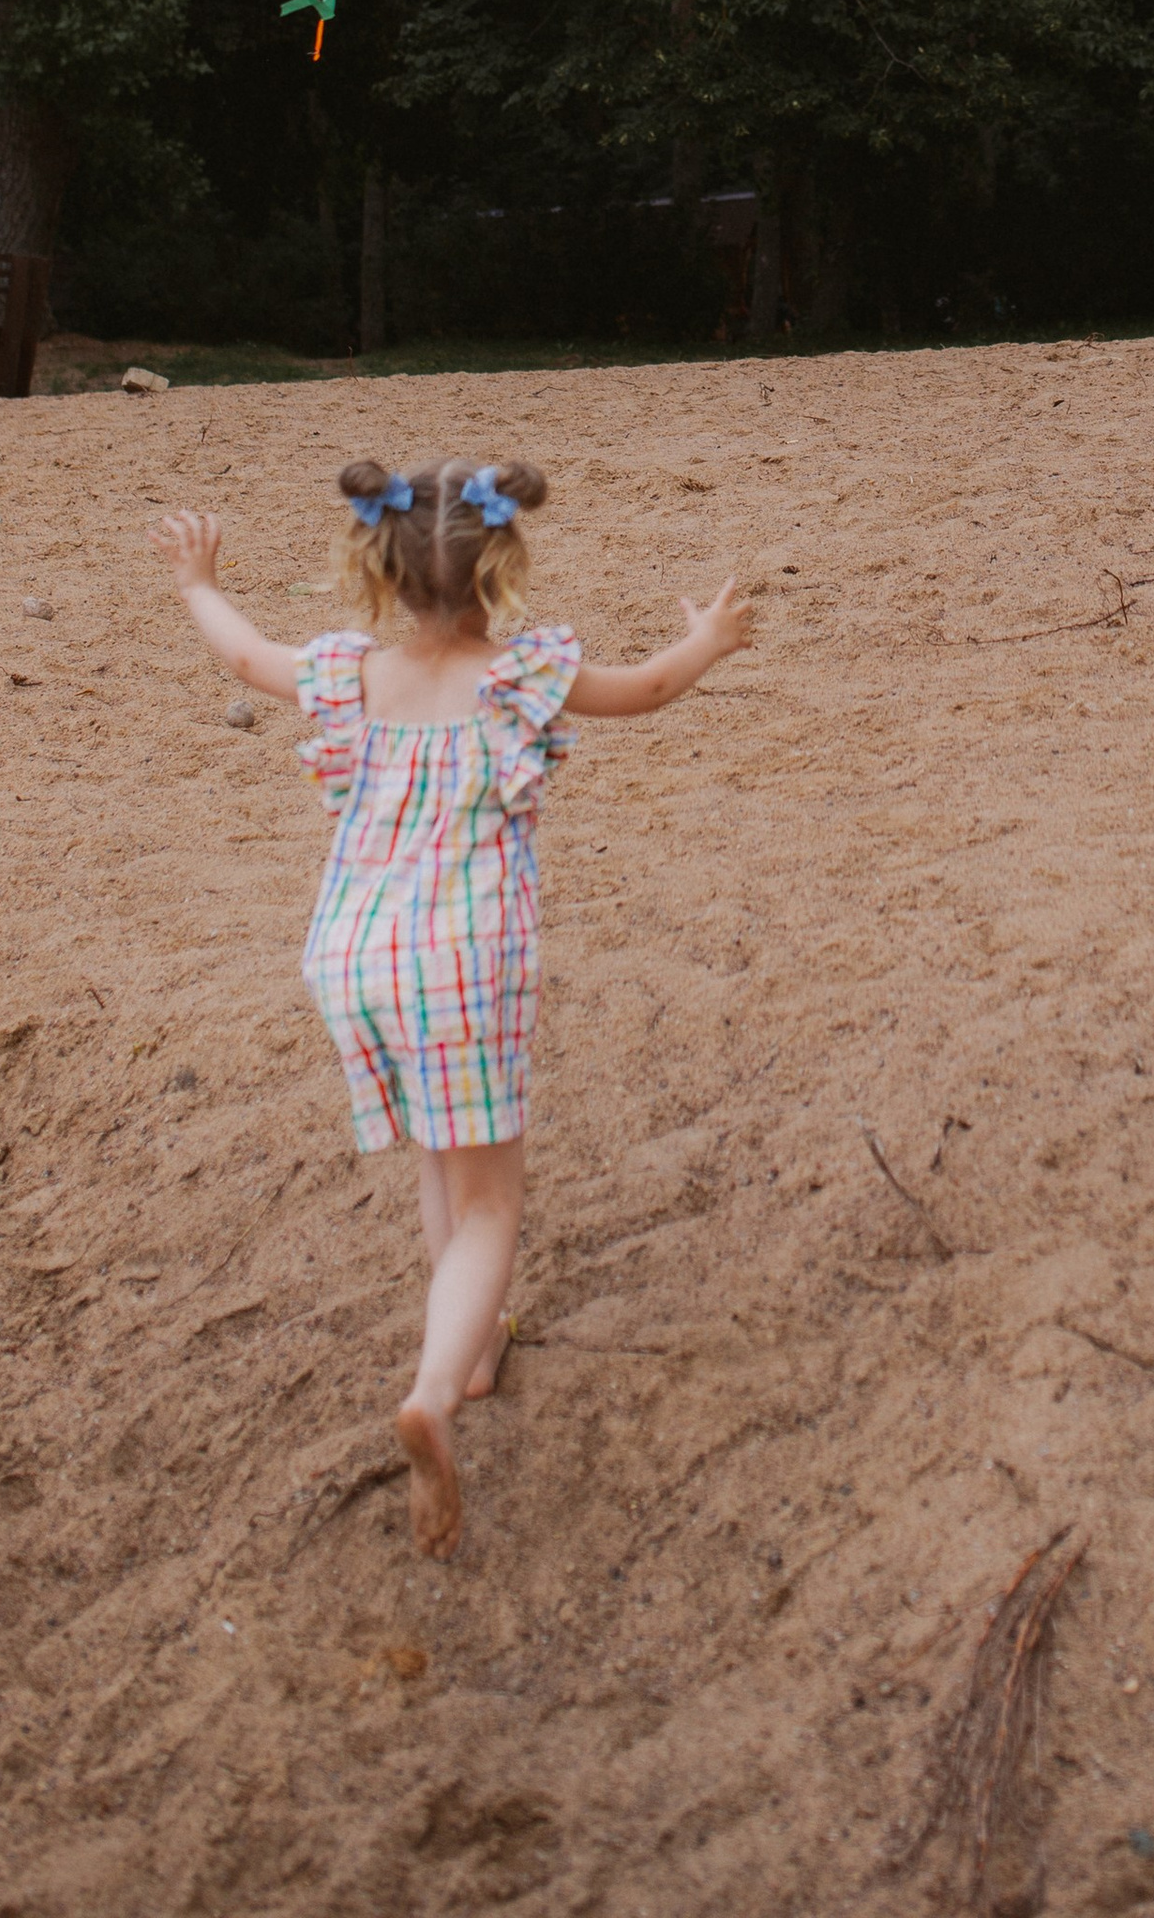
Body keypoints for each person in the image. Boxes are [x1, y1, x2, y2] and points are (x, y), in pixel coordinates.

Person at [151, 457, 753, 1558]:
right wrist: (706, 639)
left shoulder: (343, 673)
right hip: (464, 961)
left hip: (353, 957)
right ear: (499, 570)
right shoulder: (523, 676)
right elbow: (649, 689)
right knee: (488, 1203)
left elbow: (242, 654)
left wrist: (197, 581)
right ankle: (434, 1390)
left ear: (377, 575)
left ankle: (472, 1354)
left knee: (440, 1157)